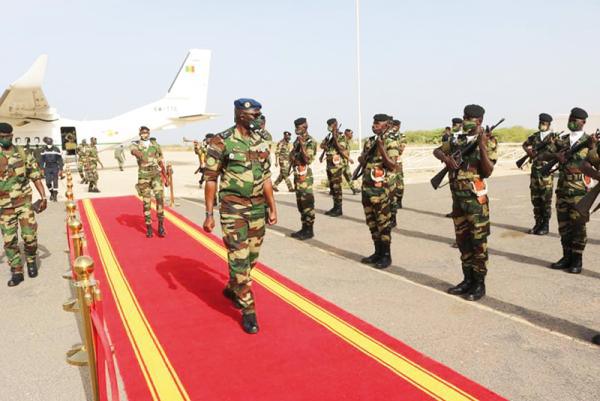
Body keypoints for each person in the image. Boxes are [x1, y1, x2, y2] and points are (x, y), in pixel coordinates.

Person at [202, 98, 277, 334]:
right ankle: (249, 310)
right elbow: (211, 179)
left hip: (257, 208)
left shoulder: (262, 140)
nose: (258, 118)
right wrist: (209, 214)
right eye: (254, 114)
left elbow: (266, 176)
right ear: (240, 115)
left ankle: (232, 287)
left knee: (251, 258)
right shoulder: (221, 141)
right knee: (239, 258)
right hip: (232, 209)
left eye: (259, 114)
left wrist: (272, 206)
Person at [433, 104, 498, 301]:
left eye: (469, 118)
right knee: (463, 242)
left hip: (476, 202)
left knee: (478, 244)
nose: (465, 120)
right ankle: (467, 279)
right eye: (464, 116)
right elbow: (437, 150)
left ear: (480, 121)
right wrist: (446, 159)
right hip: (458, 201)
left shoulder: (489, 140)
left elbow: (488, 171)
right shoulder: (457, 139)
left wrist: (481, 145)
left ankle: (479, 284)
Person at [542, 107, 592, 274]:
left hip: (580, 192)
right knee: (564, 226)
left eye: (575, 119)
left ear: (583, 122)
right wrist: (555, 156)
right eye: (570, 118)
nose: (571, 121)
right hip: (562, 190)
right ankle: (566, 257)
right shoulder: (562, 141)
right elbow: (542, 155)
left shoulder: (590, 142)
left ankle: (577, 259)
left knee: (579, 227)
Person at [0, 123, 47, 287]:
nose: (5, 139)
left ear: (12, 136)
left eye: (8, 137)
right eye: (2, 137)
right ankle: (17, 271)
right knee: (9, 240)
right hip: (4, 207)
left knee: (29, 235)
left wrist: (43, 196)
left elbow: (35, 175)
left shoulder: (22, 153)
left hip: (24, 203)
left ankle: (31, 260)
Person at [359, 114, 399, 269]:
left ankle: (386, 255)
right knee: (372, 222)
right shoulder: (370, 141)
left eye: (377, 123)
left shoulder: (390, 141)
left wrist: (381, 148)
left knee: (383, 223)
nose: (374, 125)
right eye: (373, 122)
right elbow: (365, 161)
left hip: (381, 189)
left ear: (386, 125)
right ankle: (377, 252)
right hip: (367, 188)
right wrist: (362, 159)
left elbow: (392, 165)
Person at [522, 113, 556, 235]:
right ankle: (537, 223)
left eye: (544, 123)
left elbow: (560, 152)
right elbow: (524, 144)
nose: (541, 125)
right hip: (535, 171)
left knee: (545, 199)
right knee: (535, 199)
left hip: (546, 172)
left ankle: (545, 225)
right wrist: (529, 152)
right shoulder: (535, 136)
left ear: (549, 124)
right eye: (540, 122)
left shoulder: (555, 137)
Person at [130, 126, 167, 238]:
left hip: (156, 175)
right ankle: (149, 227)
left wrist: (164, 173)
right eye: (143, 133)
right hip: (144, 176)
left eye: (146, 133)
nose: (144, 134)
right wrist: (137, 153)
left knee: (160, 199)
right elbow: (133, 150)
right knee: (146, 203)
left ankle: (161, 226)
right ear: (140, 134)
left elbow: (161, 159)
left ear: (149, 133)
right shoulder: (136, 144)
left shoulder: (155, 144)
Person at [290, 117, 317, 240]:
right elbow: (292, 155)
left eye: (298, 127)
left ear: (305, 127)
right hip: (297, 175)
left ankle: (309, 230)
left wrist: (302, 144)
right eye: (295, 127)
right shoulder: (296, 140)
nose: (296, 129)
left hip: (305, 176)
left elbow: (307, 160)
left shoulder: (310, 141)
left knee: (307, 203)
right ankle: (304, 228)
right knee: (300, 204)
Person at [320, 118, 349, 216]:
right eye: (328, 125)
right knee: (332, 187)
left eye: (331, 125)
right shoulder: (329, 136)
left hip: (336, 165)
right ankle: (335, 207)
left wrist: (335, 138)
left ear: (335, 125)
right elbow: (321, 145)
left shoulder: (341, 136)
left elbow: (341, 148)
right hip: (329, 165)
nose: (329, 127)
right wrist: (326, 145)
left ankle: (339, 209)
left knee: (337, 187)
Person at [389, 119, 406, 227]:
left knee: (399, 184)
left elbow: (400, 150)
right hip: (388, 163)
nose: (395, 126)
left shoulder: (401, 136)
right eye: (393, 125)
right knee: (391, 186)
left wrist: (393, 145)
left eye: (396, 125)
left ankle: (399, 200)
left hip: (397, 163)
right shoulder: (388, 135)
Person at [40, 137, 64, 202]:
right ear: (46, 143)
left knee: (55, 181)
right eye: (48, 143)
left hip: (55, 166)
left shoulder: (56, 149)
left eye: (50, 142)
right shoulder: (43, 149)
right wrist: (41, 169)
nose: (49, 144)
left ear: (52, 142)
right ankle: (52, 193)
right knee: (47, 182)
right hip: (47, 167)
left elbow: (60, 159)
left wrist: (61, 169)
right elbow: (42, 160)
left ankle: (55, 196)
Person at [342, 129, 360, 195]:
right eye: (351, 133)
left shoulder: (347, 141)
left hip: (345, 163)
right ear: (347, 133)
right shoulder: (343, 141)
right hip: (340, 163)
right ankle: (332, 190)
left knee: (349, 176)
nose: (352, 135)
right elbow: (342, 151)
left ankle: (353, 189)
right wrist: (349, 159)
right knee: (336, 178)